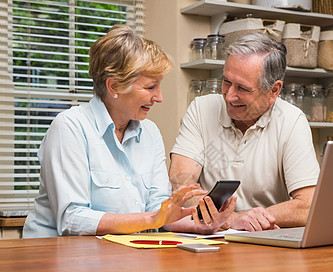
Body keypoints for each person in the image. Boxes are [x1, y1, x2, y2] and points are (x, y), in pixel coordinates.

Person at [22, 24, 236, 238]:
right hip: (56, 255)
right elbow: (72, 219)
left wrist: (202, 225)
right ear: (114, 87)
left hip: (119, 254)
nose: (159, 97)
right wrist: (151, 219)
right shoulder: (69, 127)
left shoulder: (150, 133)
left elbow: (159, 211)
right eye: (150, 87)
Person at [168, 33, 320, 233]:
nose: (230, 96)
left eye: (242, 88)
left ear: (274, 91)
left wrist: (243, 218)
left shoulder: (292, 121)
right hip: (209, 239)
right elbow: (181, 179)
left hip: (265, 242)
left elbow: (308, 207)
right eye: (226, 81)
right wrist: (225, 220)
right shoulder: (201, 108)